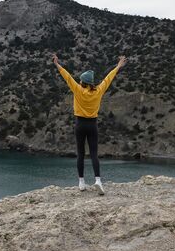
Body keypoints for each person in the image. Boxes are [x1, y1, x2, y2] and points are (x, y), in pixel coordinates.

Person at [52, 54, 127, 194]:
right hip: (92, 125)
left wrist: (57, 64)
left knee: (80, 153)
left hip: (80, 124)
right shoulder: (98, 91)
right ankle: (98, 180)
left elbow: (67, 77)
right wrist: (118, 66)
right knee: (94, 154)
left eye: (80, 80)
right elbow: (108, 78)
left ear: (82, 82)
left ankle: (81, 182)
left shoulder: (78, 90)